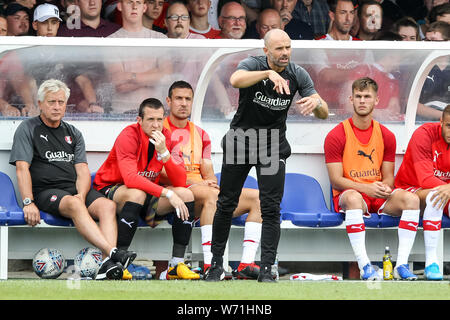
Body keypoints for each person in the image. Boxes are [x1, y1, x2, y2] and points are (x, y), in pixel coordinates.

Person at [205, 29, 328, 282]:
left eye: (288, 47)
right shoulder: (254, 65)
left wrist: (317, 104)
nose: (285, 53)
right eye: (279, 49)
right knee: (226, 203)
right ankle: (216, 265)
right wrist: (268, 73)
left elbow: (323, 112)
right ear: (266, 51)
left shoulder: (298, 73)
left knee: (271, 208)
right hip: (241, 138)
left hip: (272, 144)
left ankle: (267, 269)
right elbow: (235, 79)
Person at [9, 79, 136, 280]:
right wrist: (28, 202)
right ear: (40, 103)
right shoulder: (28, 128)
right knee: (75, 205)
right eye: (51, 102)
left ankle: (106, 267)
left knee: (108, 206)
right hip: (47, 192)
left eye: (61, 102)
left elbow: (83, 171)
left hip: (73, 189)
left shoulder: (73, 132)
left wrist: (81, 194)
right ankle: (113, 254)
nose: (57, 106)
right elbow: (22, 169)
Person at [162, 80, 263, 279]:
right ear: (168, 101)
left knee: (257, 198)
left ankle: (246, 264)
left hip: (202, 195)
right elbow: (159, 174)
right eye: (178, 98)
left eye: (188, 99)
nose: (183, 103)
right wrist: (198, 184)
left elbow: (208, 175)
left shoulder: (201, 134)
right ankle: (211, 265)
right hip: (173, 195)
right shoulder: (160, 128)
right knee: (211, 196)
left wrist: (207, 183)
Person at [93, 97, 200, 280]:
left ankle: (175, 265)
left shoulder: (166, 137)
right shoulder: (128, 136)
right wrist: (167, 193)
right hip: (110, 189)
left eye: (159, 119)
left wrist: (164, 153)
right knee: (136, 193)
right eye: (150, 120)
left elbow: (180, 180)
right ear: (139, 120)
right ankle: (119, 264)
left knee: (186, 194)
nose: (156, 125)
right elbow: (131, 178)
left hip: (145, 193)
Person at [324, 77, 420, 280]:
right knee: (351, 198)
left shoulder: (386, 135)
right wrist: (366, 189)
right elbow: (335, 180)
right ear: (351, 99)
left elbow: (388, 178)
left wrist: (384, 187)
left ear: (376, 100)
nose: (362, 100)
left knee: (411, 199)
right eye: (358, 96)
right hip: (350, 194)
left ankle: (401, 265)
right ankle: (365, 265)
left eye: (367, 96)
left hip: (376, 194)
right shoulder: (336, 135)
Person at [394, 105, 450, 280]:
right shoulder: (424, 134)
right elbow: (425, 179)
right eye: (449, 125)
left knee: (438, 194)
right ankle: (431, 263)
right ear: (440, 122)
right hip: (412, 188)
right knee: (436, 195)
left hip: (446, 190)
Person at [106, 0, 170, 114]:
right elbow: (119, 83)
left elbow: (167, 77)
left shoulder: (160, 39)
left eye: (138, 3)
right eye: (130, 2)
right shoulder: (110, 41)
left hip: (156, 113)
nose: (134, 7)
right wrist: (154, 75)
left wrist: (131, 76)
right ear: (120, 6)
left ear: (144, 7)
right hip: (122, 112)